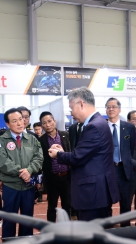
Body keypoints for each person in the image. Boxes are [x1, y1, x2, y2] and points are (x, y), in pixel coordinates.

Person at [49, 88, 119, 221]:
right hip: (97, 191)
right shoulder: (98, 123)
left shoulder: (94, 126)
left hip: (93, 193)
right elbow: (85, 154)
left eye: (71, 108)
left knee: (91, 231)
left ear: (81, 104)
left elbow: (77, 157)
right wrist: (63, 152)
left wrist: (58, 154)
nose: (71, 113)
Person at [0, 108, 43, 238]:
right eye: (14, 121)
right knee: (9, 220)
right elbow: (2, 162)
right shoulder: (1, 141)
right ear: (7, 124)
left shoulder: (32, 139)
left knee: (27, 220)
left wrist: (30, 170)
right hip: (11, 186)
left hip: (28, 187)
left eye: (21, 119)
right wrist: (23, 172)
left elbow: (39, 158)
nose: (20, 123)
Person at [105, 98, 136, 226]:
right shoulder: (101, 127)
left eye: (114, 106)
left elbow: (131, 148)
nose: (111, 109)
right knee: (106, 202)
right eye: (108, 107)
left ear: (119, 109)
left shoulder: (129, 127)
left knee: (125, 202)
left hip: (124, 170)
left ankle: (125, 228)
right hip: (107, 170)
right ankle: (107, 227)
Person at [38, 111, 71, 222]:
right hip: (51, 178)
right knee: (52, 206)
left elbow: (72, 152)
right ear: (42, 125)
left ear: (54, 121)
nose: (47, 125)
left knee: (67, 205)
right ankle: (51, 228)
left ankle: (67, 228)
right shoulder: (41, 140)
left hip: (67, 177)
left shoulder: (66, 135)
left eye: (49, 121)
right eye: (44, 123)